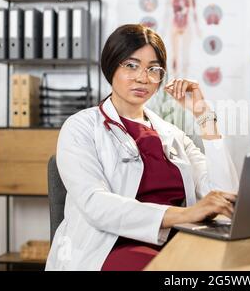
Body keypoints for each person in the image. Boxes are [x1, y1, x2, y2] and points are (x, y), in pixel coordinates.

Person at [46, 24, 238, 271]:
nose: (143, 78)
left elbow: (224, 195)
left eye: (153, 69)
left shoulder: (172, 134)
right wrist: (184, 215)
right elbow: (97, 206)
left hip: (176, 241)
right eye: (131, 65)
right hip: (109, 246)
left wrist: (203, 115)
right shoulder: (81, 127)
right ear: (111, 65)